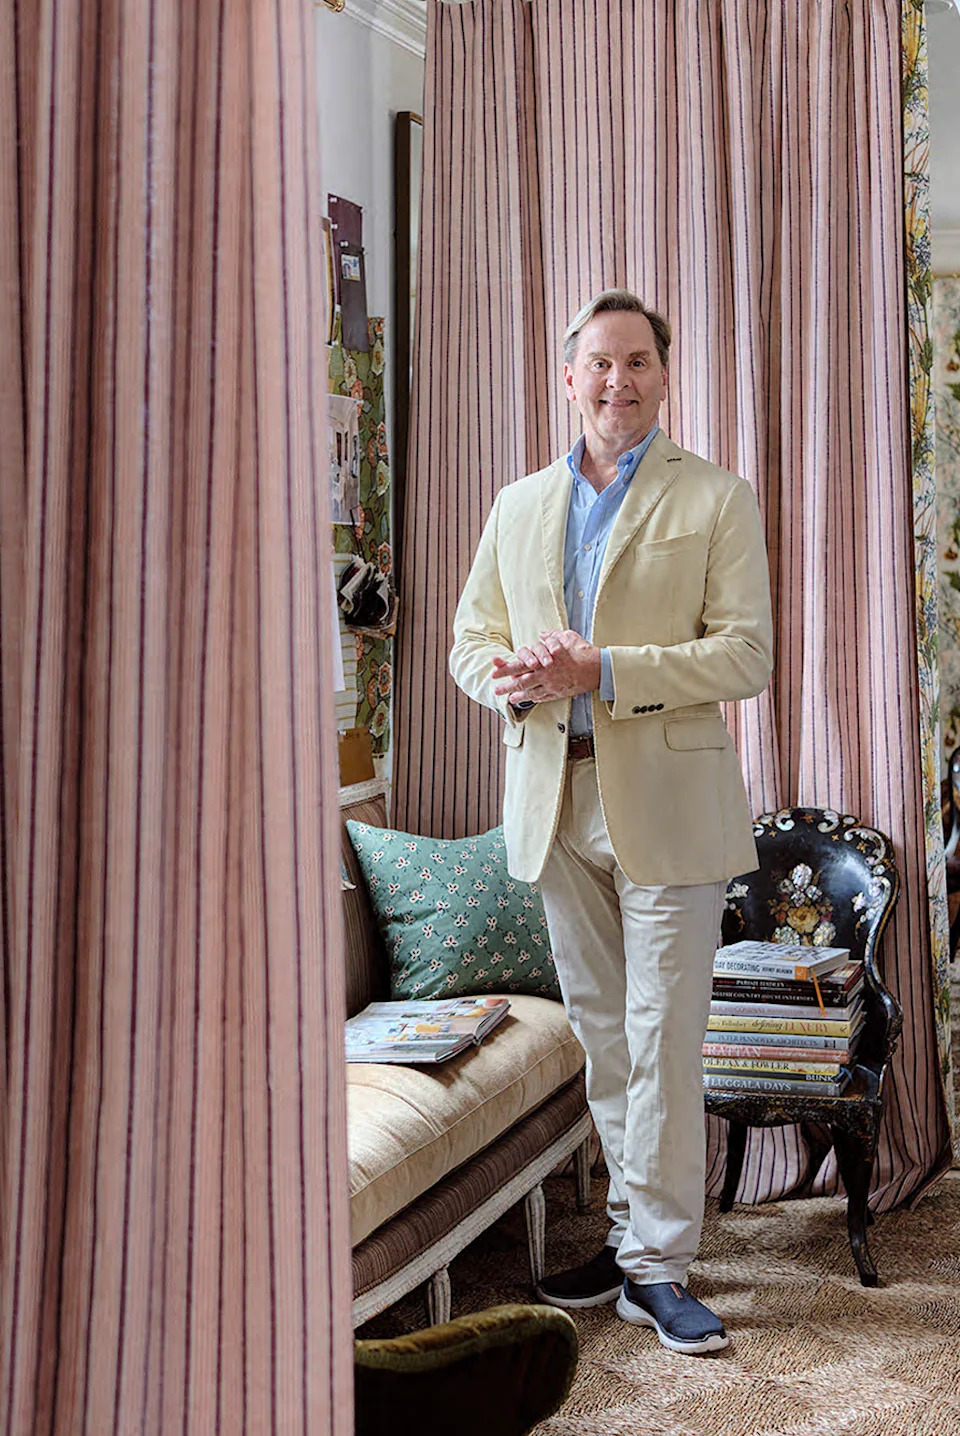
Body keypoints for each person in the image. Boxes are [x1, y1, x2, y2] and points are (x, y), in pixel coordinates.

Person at [449, 289, 773, 1356]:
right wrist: (510, 680)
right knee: (604, 1036)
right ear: (568, 376)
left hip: (668, 803)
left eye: (636, 362)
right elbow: (468, 640)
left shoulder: (717, 498)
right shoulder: (515, 504)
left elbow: (746, 655)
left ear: (664, 375)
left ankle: (660, 1263)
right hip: (553, 793)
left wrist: (607, 669)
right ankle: (637, 1245)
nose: (616, 381)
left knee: (664, 1037)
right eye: (597, 363)